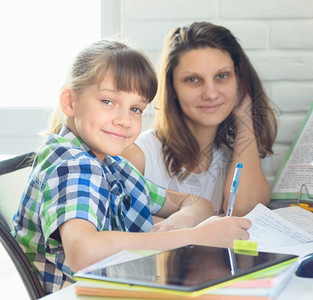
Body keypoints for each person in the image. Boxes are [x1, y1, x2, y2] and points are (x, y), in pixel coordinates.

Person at [12, 40, 251, 294]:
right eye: (108, 101)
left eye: (136, 108)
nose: (124, 120)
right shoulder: (72, 164)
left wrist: (181, 221)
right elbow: (84, 251)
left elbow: (197, 203)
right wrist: (194, 237)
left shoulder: (112, 166)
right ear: (70, 102)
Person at [121, 22, 278, 216]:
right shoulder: (138, 156)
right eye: (193, 79)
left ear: (239, 80)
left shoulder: (233, 156)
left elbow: (247, 213)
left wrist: (245, 118)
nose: (211, 94)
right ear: (172, 87)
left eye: (222, 76)